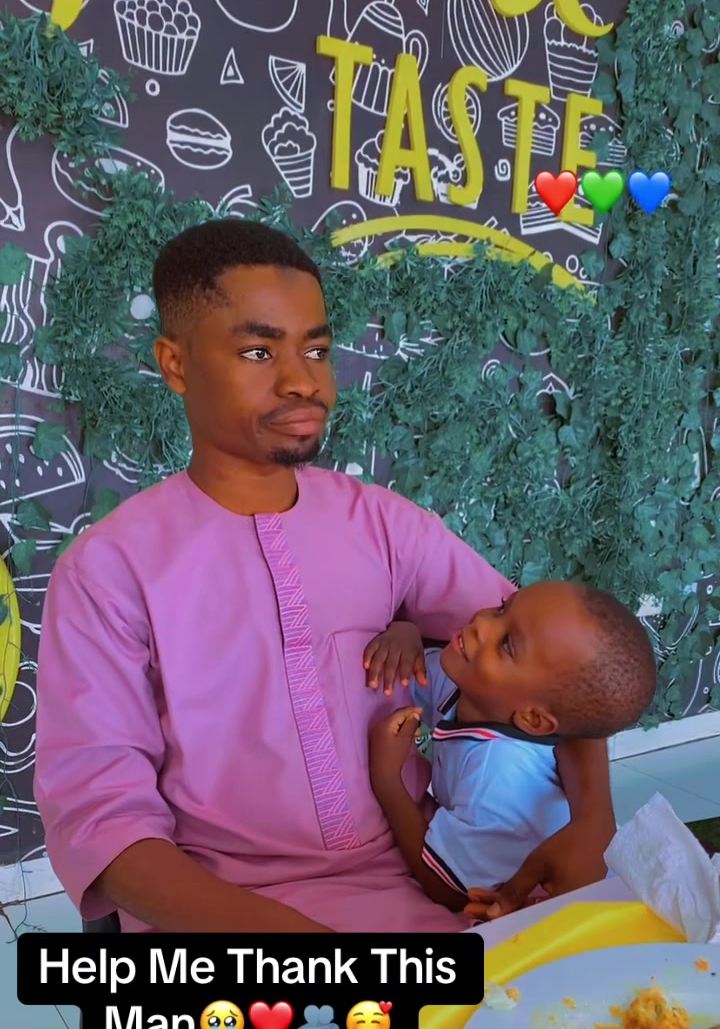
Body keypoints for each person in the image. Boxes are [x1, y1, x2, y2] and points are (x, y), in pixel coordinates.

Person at [34, 218, 616, 935]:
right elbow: (103, 825)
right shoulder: (108, 571)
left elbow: (561, 666)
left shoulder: (384, 525)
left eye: (316, 350)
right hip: (222, 914)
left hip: (423, 883)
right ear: (175, 364)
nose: (303, 381)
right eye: (258, 351)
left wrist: (593, 824)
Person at [367, 582, 656, 918]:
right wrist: (406, 634)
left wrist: (388, 782)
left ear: (533, 718)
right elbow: (412, 671)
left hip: (589, 918)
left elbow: (448, 890)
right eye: (503, 607)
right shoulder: (473, 682)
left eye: (507, 645)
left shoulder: (494, 781)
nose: (481, 622)